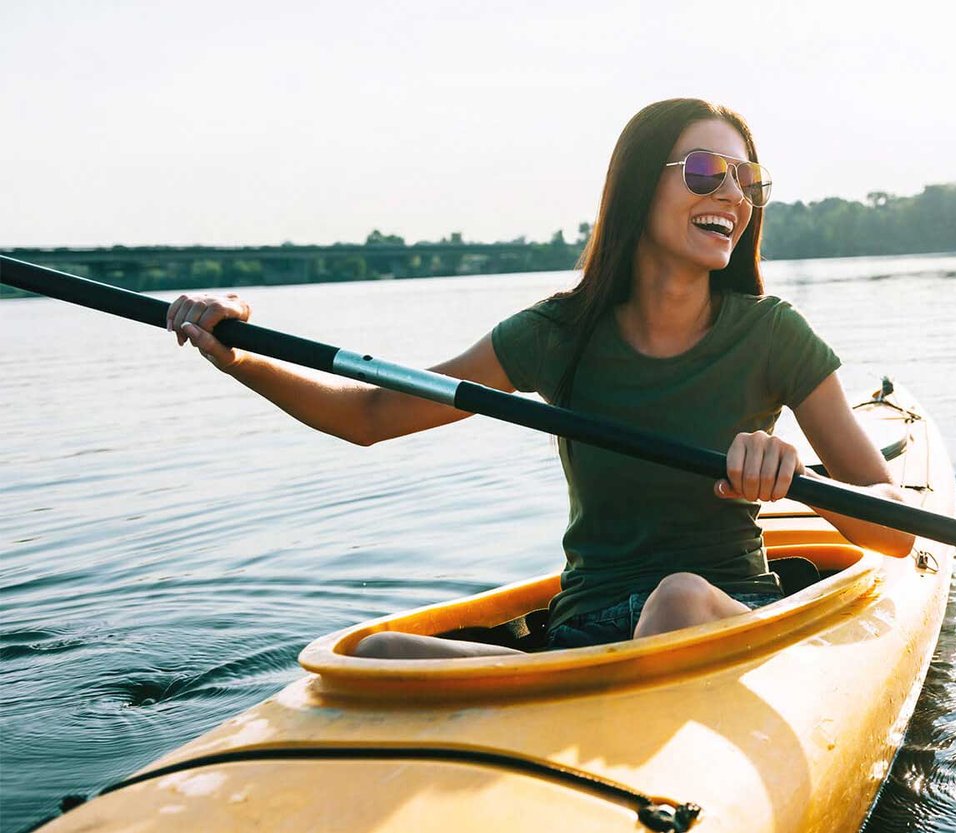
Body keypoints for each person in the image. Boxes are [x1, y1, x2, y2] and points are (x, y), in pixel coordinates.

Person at [164, 98, 915, 658]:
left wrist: (791, 475)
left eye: (748, 179)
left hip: (718, 615)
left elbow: (891, 526)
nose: (733, 195)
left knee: (677, 597)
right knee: (372, 652)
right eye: (705, 171)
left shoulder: (773, 333)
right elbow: (368, 413)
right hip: (583, 636)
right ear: (635, 187)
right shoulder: (558, 333)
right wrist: (238, 353)